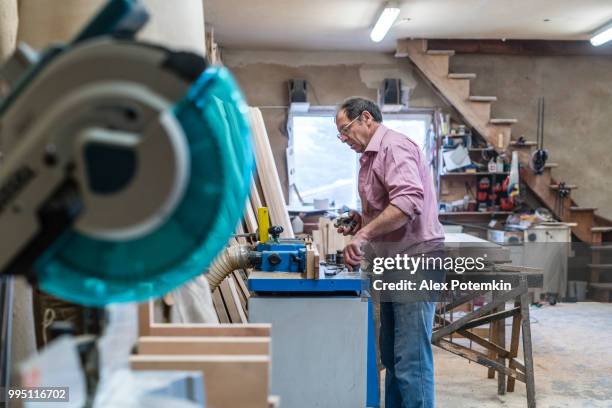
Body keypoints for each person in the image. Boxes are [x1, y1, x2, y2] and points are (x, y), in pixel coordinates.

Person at [335, 97, 444, 408]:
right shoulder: (371, 156)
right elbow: (389, 206)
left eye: (345, 130)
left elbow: (409, 202)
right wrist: (362, 219)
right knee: (394, 354)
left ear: (366, 118)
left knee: (411, 357)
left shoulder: (393, 147)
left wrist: (364, 234)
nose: (343, 139)